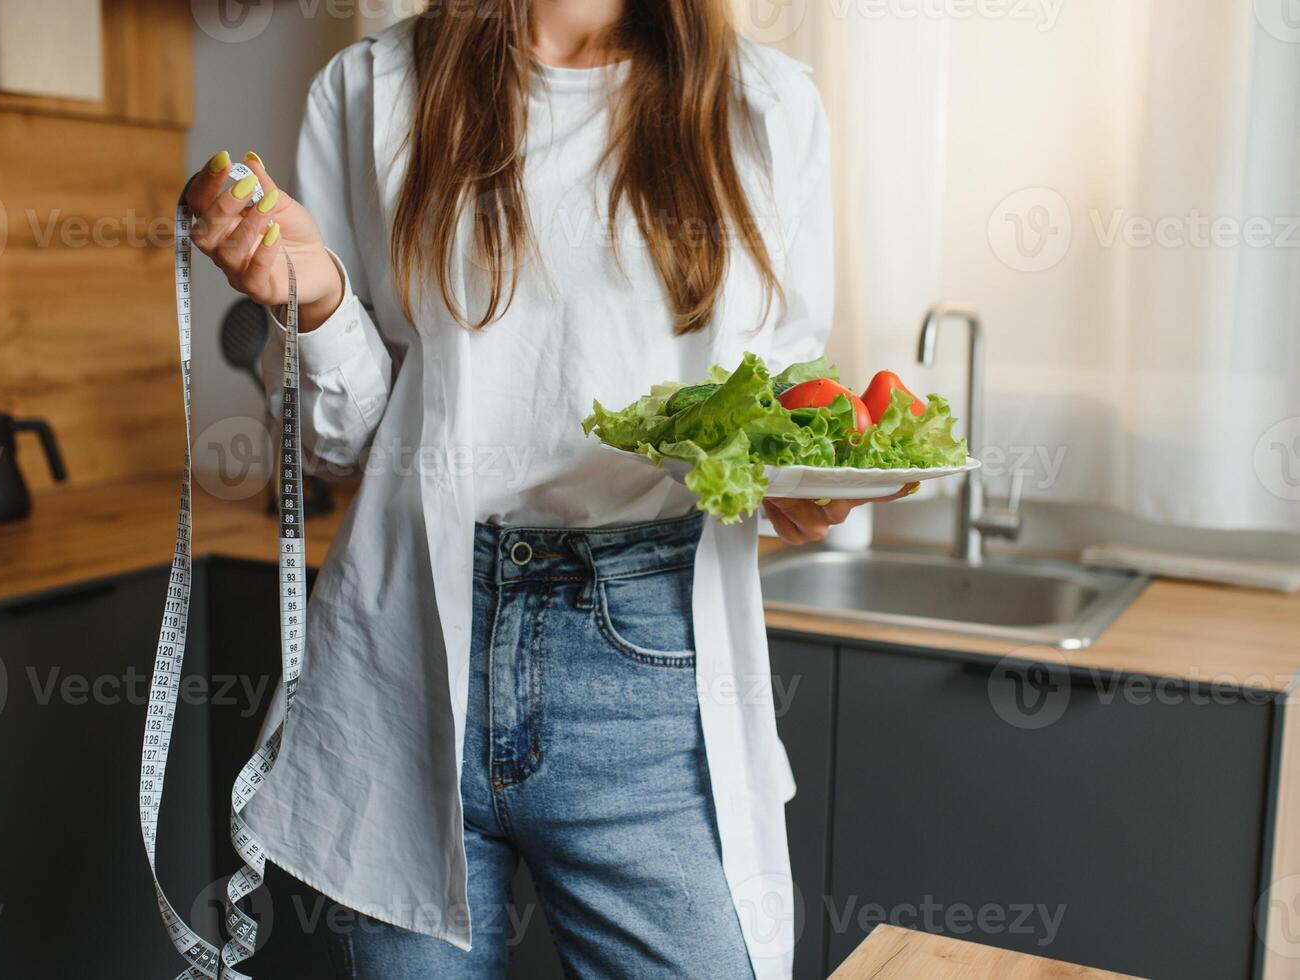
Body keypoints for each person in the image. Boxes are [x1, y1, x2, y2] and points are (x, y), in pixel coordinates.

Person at [183, 2, 911, 976]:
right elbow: (346, 438)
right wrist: (313, 292)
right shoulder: (369, 90)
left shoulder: (766, 105)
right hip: (409, 657)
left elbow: (772, 397)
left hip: (651, 667)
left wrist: (796, 479)